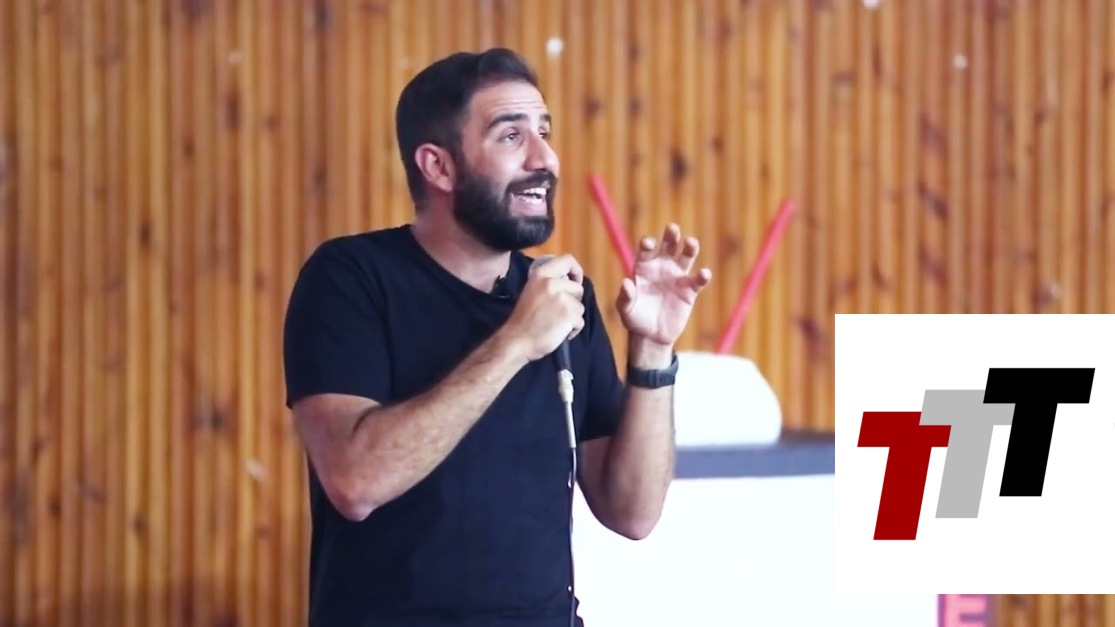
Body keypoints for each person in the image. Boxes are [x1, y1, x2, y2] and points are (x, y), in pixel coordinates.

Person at [282, 47, 712, 627]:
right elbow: (355, 482)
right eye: (511, 136)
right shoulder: (350, 277)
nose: (545, 158)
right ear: (439, 167)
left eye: (544, 132)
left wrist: (654, 350)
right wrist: (514, 343)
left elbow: (632, 513)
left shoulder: (562, 296)